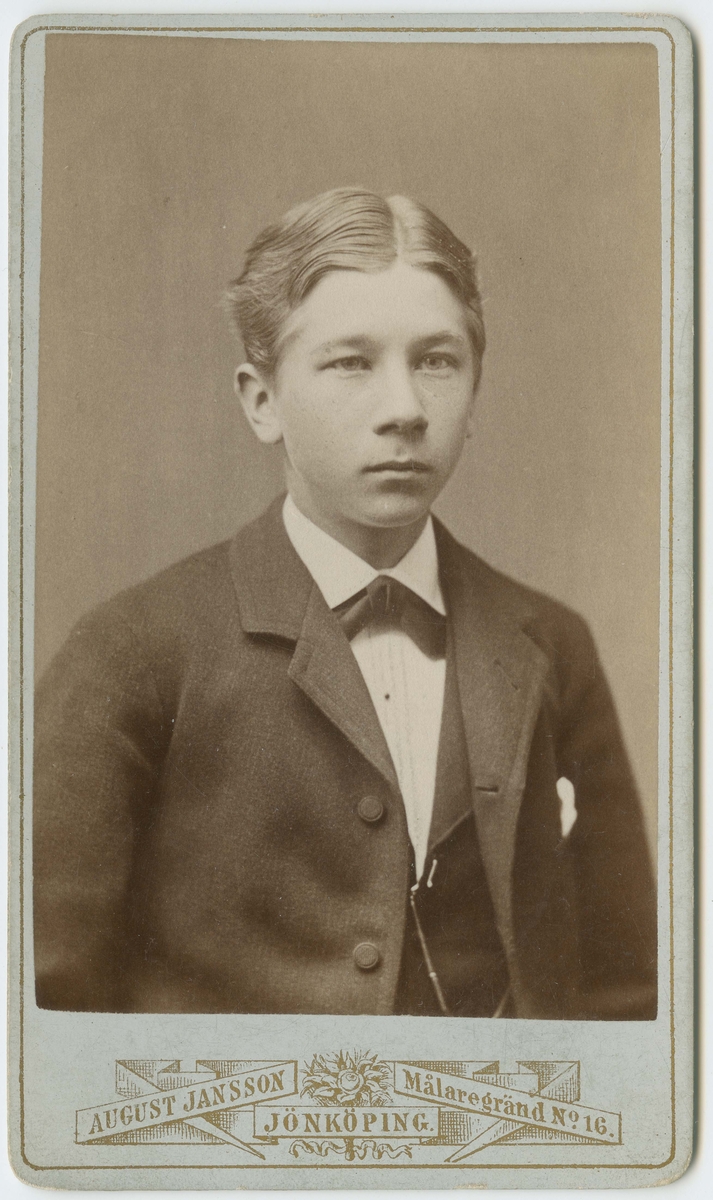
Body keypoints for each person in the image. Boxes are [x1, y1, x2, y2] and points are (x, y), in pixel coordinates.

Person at [33, 187, 657, 1019]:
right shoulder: (132, 652)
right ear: (262, 401)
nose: (404, 410)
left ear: (474, 391)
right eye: (350, 363)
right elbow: (44, 1002)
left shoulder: (550, 643)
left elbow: (627, 992)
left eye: (436, 361)